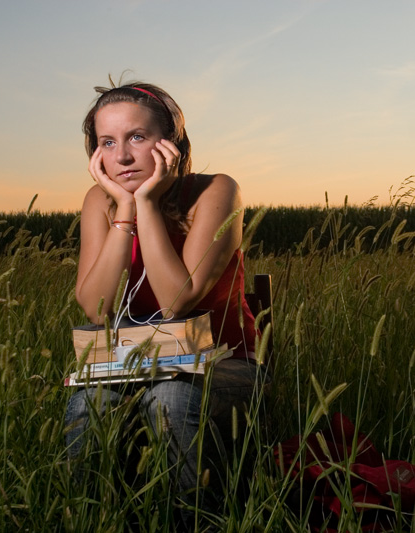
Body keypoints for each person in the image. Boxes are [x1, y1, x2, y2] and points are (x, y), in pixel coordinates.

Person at [63, 80, 266, 528]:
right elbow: (98, 309)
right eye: (107, 142)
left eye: (137, 137)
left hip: (223, 360)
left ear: (170, 142)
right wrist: (122, 211)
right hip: (131, 362)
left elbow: (178, 301)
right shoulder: (100, 200)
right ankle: (98, 522)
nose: (122, 156)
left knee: (170, 399)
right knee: (88, 406)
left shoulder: (216, 191)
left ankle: (194, 521)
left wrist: (147, 204)